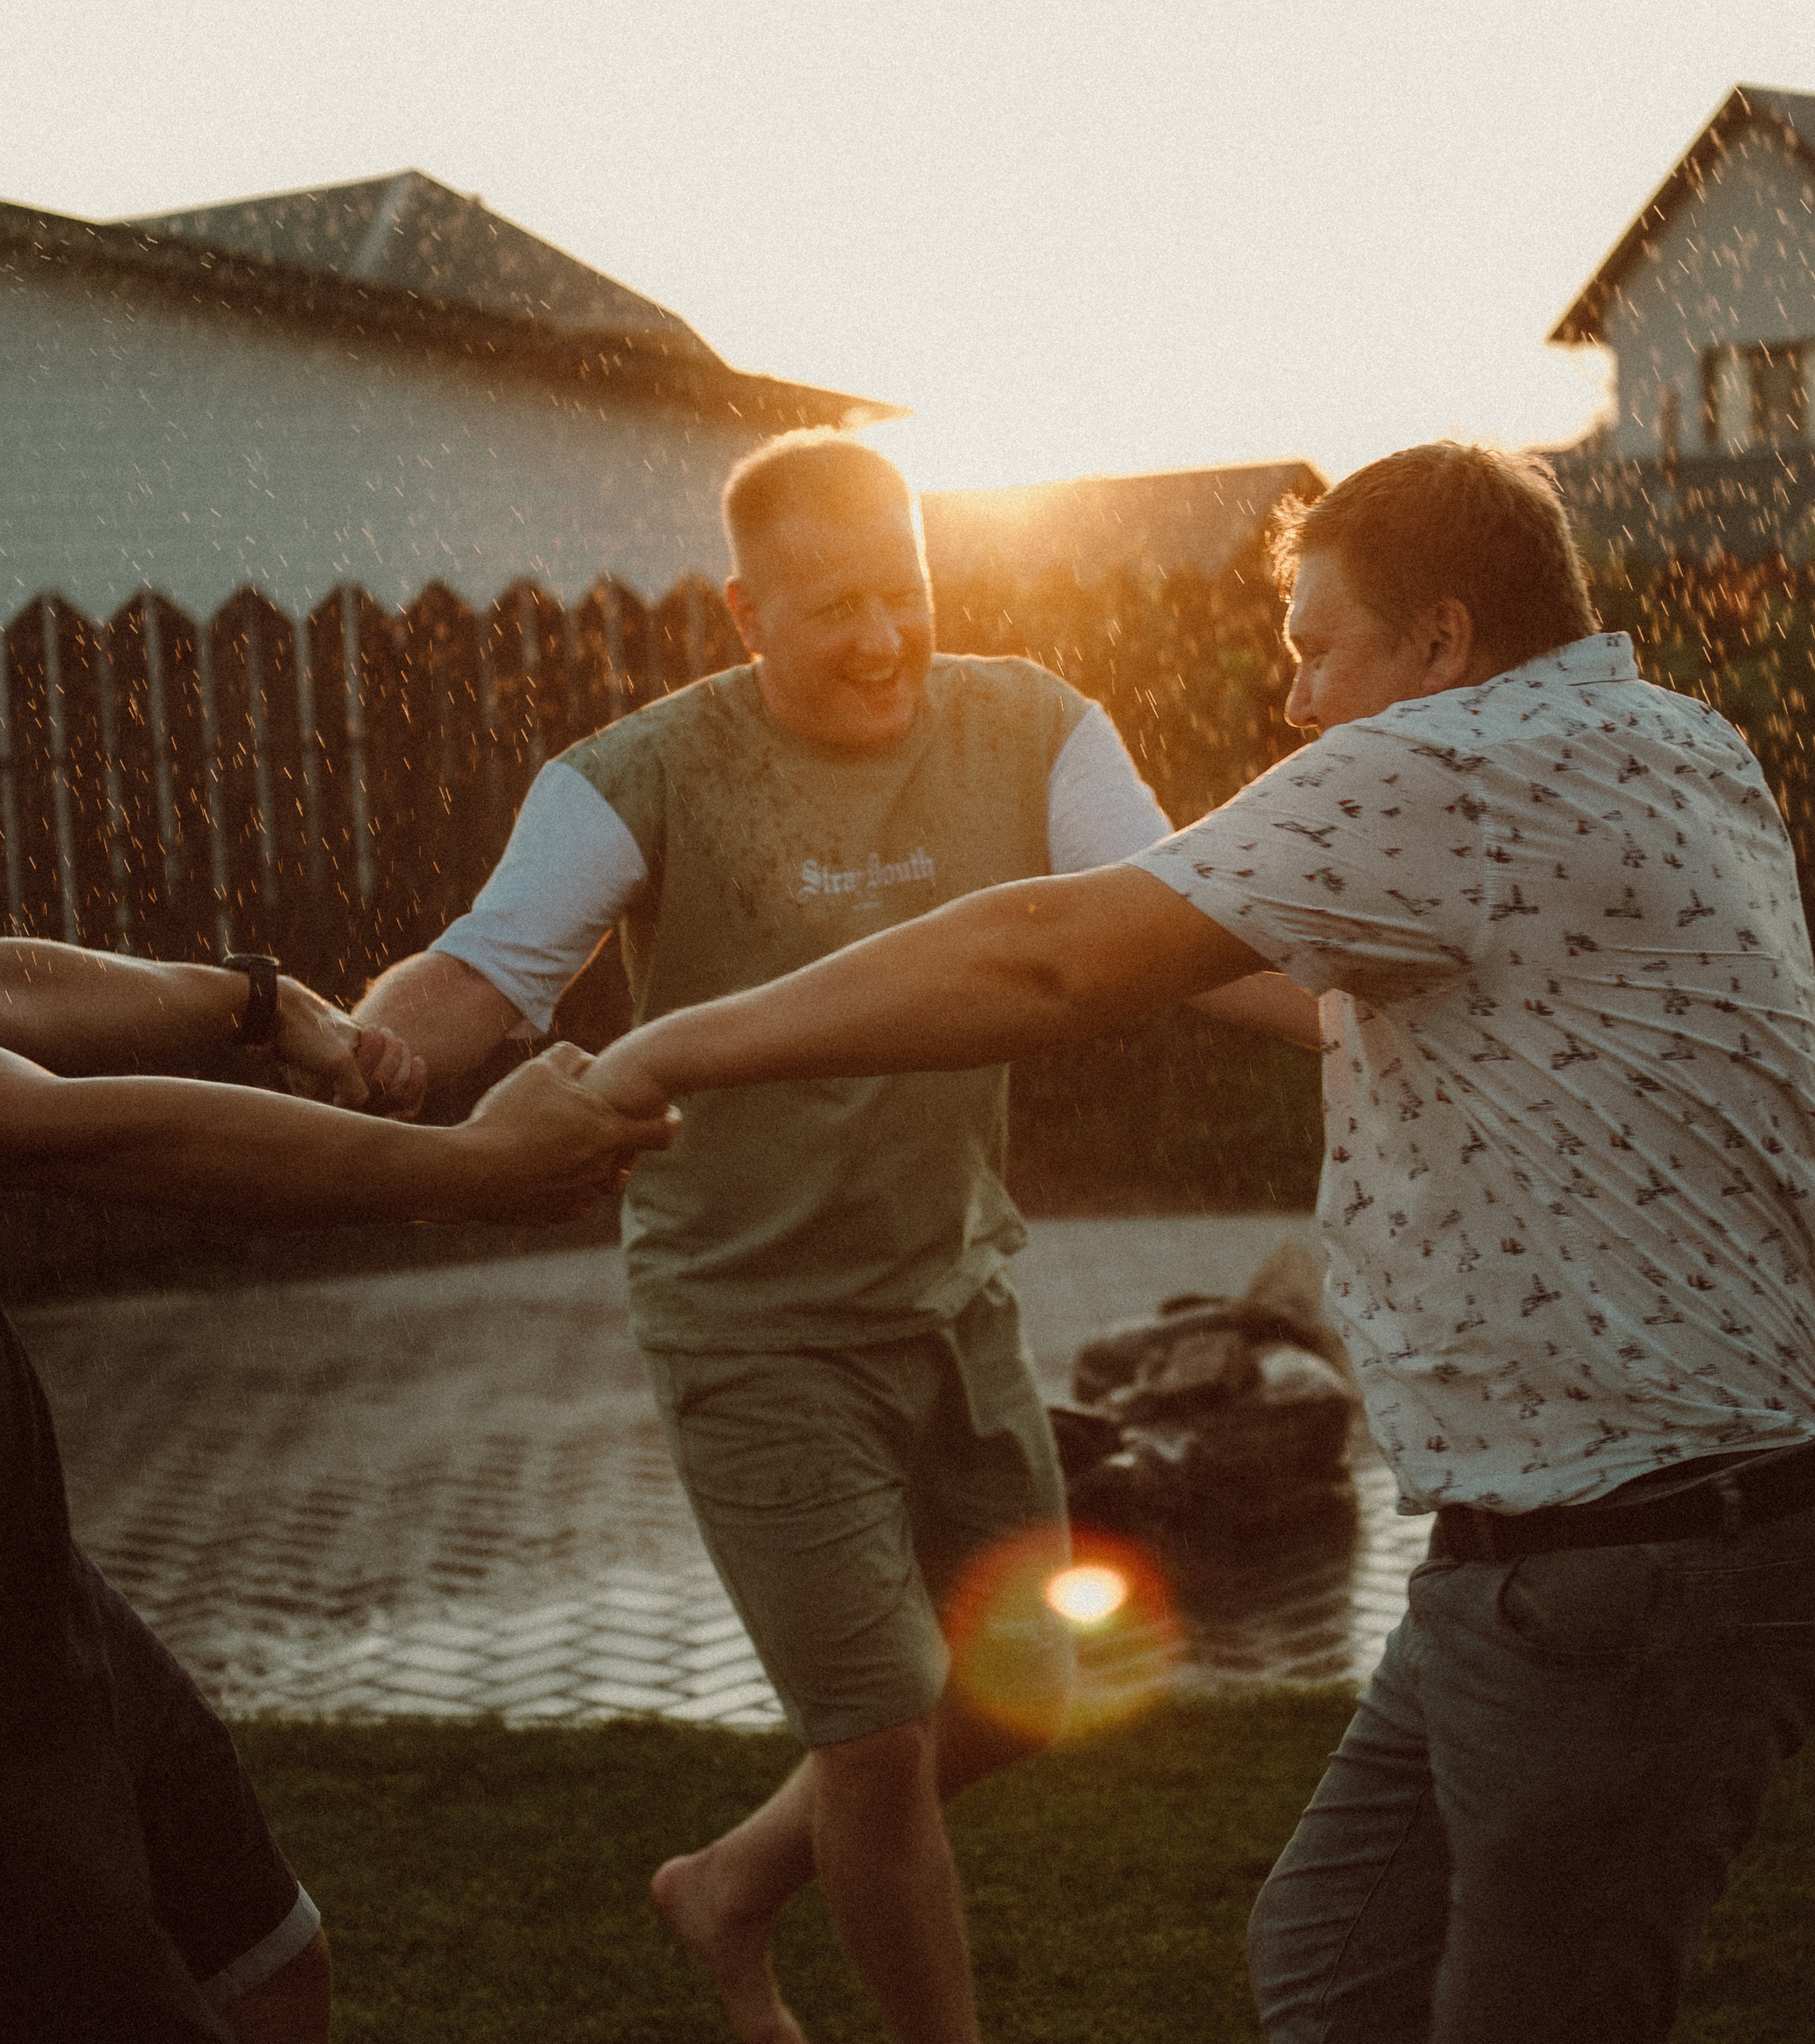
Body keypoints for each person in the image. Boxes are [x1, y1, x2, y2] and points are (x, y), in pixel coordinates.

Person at [581, 442, 1815, 2044]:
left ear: (1439, 637)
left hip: (1629, 1555)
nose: (1293, 705)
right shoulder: (1672, 739)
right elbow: (1390, 993)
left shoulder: (1437, 765)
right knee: (1331, 1952)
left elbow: (1051, 958)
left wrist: (663, 1050)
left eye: (1313, 652)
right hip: (1645, 1527)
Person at [356, 429, 1315, 2044]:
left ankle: (726, 1879)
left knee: (1021, 1688)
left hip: (954, 1295)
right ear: (747, 612)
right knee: (875, 1734)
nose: (880, 637)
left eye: (905, 591)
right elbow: (480, 973)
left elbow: (1161, 919)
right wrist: (374, 1051)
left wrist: (1356, 1023)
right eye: (832, 607)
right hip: (750, 1324)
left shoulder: (1032, 724)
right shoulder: (642, 773)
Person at [0, 940, 672, 2043]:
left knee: (267, 1962)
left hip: (37, 1594)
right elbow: (64, 1128)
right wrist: (479, 1168)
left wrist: (251, 1001)